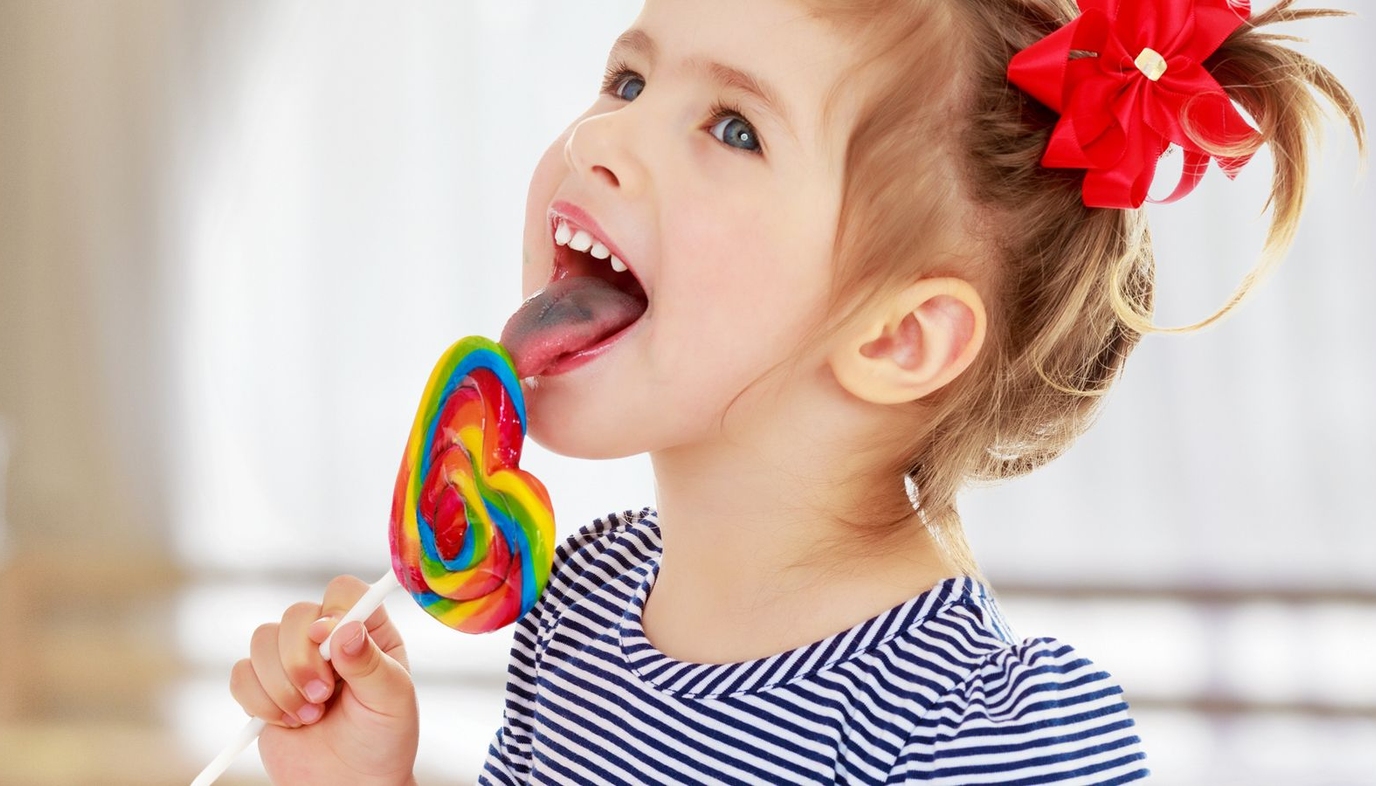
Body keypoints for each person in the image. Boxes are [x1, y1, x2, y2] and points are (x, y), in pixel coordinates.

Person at [227, 0, 1364, 783]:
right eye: (626, 77)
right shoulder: (578, 608)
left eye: (733, 128)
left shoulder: (974, 733)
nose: (601, 136)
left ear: (900, 336)